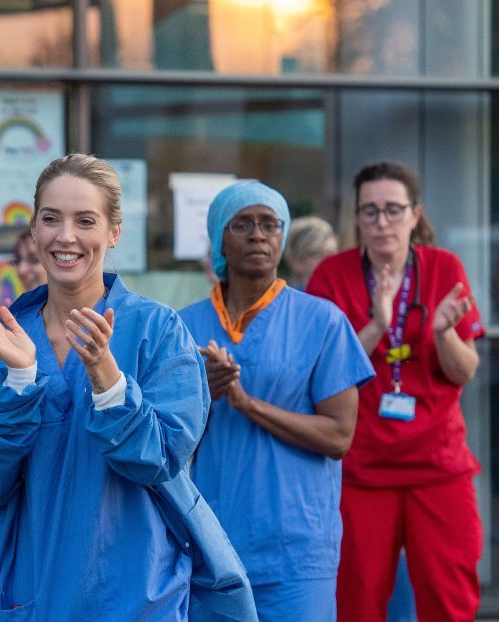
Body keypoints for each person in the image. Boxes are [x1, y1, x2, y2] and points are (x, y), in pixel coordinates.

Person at [0, 154, 247, 621]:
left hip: (135, 593)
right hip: (32, 593)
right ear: (33, 230)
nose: (65, 236)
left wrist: (109, 382)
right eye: (51, 219)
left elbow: (161, 461)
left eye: (85, 220)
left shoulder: (157, 331)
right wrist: (21, 379)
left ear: (113, 232)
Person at [179, 180, 374, 622]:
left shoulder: (322, 321)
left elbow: (339, 435)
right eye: (242, 224)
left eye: (270, 224)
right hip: (207, 546)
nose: (258, 235)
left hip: (295, 552)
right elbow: (157, 435)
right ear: (218, 239)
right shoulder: (181, 326)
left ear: (283, 238)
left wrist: (248, 405)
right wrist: (199, 395)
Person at [306, 161, 485, 621]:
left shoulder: (445, 267)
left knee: (450, 600)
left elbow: (464, 371)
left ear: (415, 213)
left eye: (392, 209)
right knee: (357, 601)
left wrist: (445, 334)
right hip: (361, 470)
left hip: (437, 467)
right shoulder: (332, 275)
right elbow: (323, 374)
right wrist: (377, 326)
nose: (381, 221)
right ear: (357, 219)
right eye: (369, 211)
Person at [284, 215, 337, 290]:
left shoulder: (341, 296)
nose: (329, 261)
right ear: (297, 261)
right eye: (319, 255)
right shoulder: (289, 300)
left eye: (332, 255)